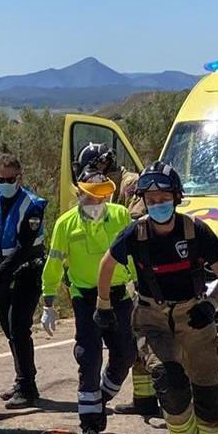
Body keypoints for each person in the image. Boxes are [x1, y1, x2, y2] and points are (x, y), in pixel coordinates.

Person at [97, 161, 218, 434]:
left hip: (194, 316)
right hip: (152, 318)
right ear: (143, 201)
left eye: (164, 198)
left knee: (209, 393)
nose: (158, 205)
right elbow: (106, 266)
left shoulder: (196, 231)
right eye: (151, 199)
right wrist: (102, 306)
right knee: (170, 384)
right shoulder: (136, 232)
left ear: (176, 196)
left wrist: (211, 305)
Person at [40, 169, 136, 434]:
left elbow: (134, 256)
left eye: (102, 198)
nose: (97, 204)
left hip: (118, 295)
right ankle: (90, 424)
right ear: (80, 195)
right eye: (92, 198)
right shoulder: (65, 224)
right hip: (84, 296)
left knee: (126, 353)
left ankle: (102, 397)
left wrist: (141, 287)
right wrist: (48, 302)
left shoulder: (120, 216)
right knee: (89, 356)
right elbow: (54, 264)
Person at [75, 144, 158, 416]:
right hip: (114, 269)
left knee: (141, 338)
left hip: (136, 268)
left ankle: (154, 397)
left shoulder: (131, 184)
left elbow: (135, 224)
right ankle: (143, 399)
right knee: (131, 340)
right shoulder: (106, 190)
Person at [0, 154, 47, 410]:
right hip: (1, 271)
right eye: (0, 179)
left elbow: (26, 247)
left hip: (27, 270)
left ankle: (27, 386)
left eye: (9, 179)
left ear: (19, 178)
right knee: (8, 328)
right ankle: (22, 380)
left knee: (19, 327)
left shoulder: (33, 205)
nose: (4, 183)